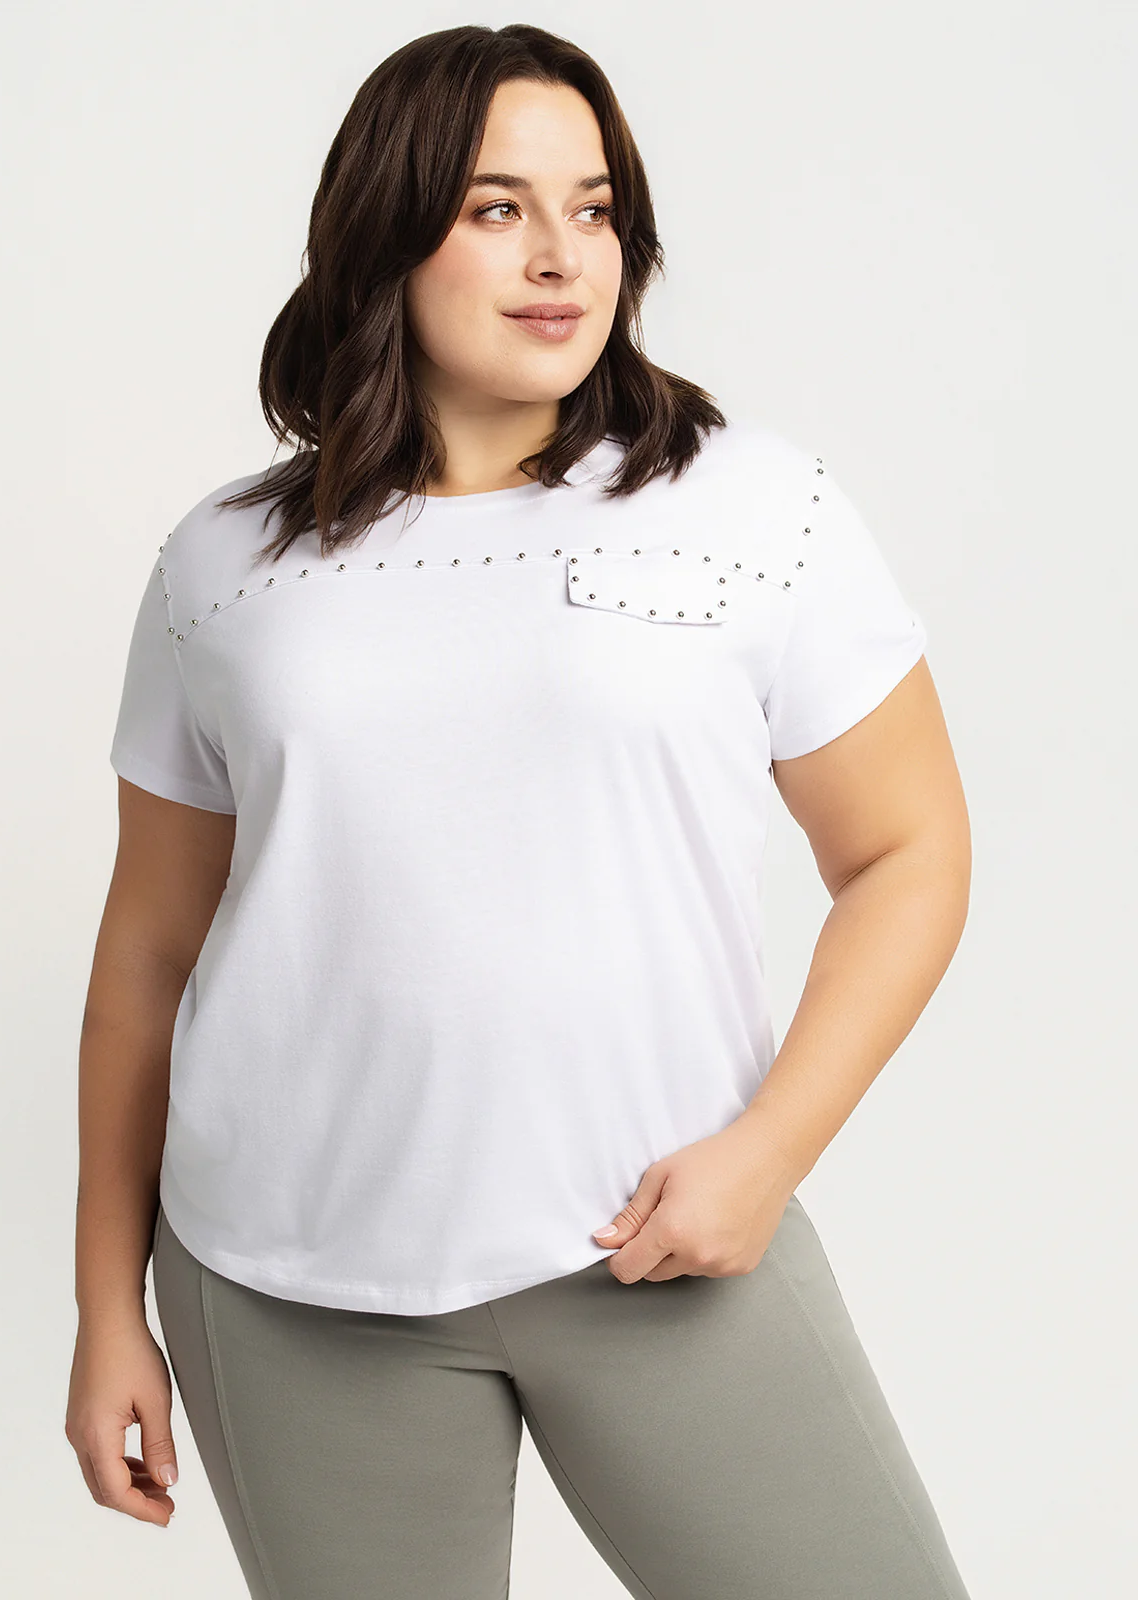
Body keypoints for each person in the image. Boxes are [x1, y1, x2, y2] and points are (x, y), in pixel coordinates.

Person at [65, 23, 975, 1600]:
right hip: (290, 1291)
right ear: (386, 232)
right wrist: (105, 1309)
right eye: (496, 208)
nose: (562, 256)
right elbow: (147, 953)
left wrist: (768, 1153)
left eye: (595, 207)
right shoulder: (223, 565)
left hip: (660, 1247)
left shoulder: (751, 508)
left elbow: (909, 852)